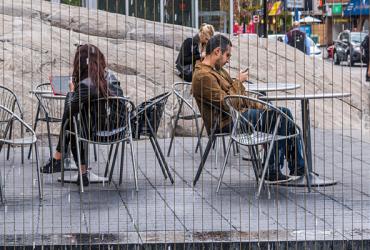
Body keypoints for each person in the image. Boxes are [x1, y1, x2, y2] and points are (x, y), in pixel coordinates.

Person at [192, 34, 306, 182]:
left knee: (281, 113)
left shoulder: (217, 70)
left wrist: (264, 107)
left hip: (238, 115)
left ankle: (288, 167)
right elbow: (229, 104)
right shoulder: (203, 76)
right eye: (227, 55)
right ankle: (278, 169)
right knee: (280, 117)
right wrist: (238, 82)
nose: (228, 60)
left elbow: (242, 99)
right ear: (217, 51)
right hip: (225, 123)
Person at [41, 44, 124, 186]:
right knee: (76, 121)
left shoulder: (87, 85)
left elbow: (69, 110)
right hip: (120, 130)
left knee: (73, 123)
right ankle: (61, 160)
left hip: (98, 132)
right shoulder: (110, 77)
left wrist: (72, 91)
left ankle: (73, 167)